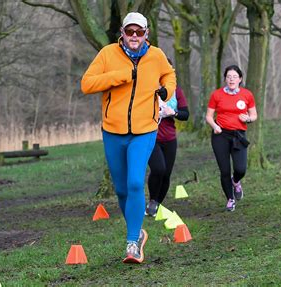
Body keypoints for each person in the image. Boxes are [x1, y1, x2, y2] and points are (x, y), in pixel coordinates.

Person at [81, 12, 176, 263]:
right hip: (113, 130)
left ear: (147, 34)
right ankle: (138, 232)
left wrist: (167, 90)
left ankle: (132, 241)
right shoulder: (107, 54)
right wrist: (120, 76)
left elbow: (169, 75)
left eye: (140, 32)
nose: (135, 36)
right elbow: (87, 84)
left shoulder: (155, 56)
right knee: (122, 189)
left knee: (135, 182)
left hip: (145, 129)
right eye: (130, 31)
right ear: (122, 32)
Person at [205, 65, 257, 212]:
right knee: (225, 170)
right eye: (228, 77)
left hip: (239, 135)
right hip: (220, 135)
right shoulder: (217, 95)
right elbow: (208, 116)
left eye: (234, 77)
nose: (231, 79)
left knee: (241, 168)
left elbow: (254, 115)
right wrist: (215, 126)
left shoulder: (247, 95)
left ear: (240, 79)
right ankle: (230, 199)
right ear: (225, 79)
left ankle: (236, 181)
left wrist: (248, 119)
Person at [145, 60, 189, 217]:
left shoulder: (176, 92)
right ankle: (152, 200)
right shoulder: (146, 90)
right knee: (158, 168)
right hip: (150, 137)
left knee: (166, 174)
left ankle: (157, 204)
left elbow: (185, 114)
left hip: (170, 138)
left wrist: (173, 113)